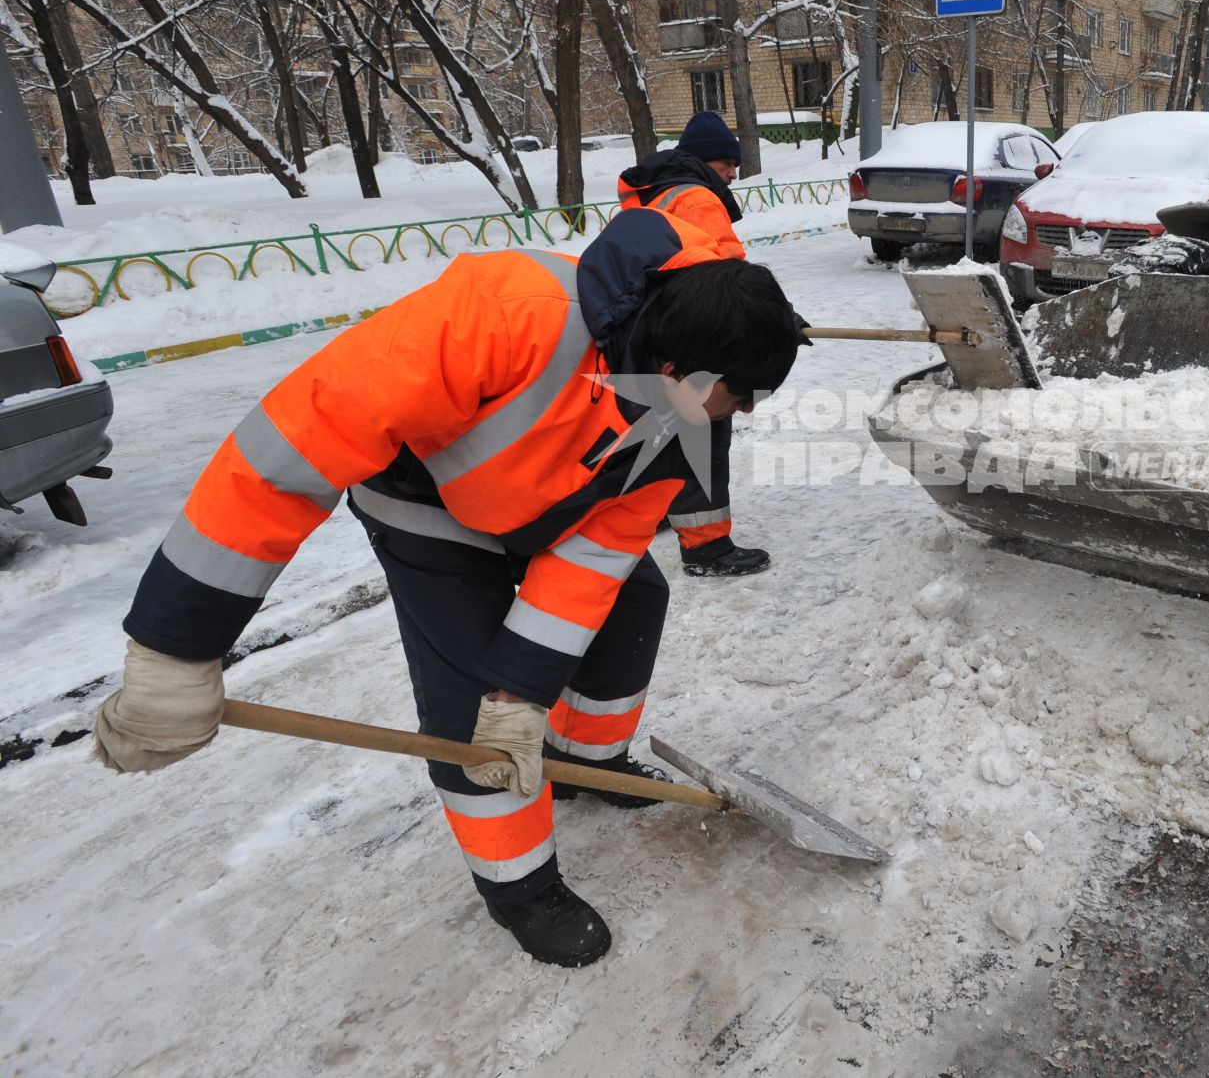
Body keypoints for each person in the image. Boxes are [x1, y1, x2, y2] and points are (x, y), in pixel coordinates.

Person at [91, 203, 806, 968]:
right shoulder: (502, 314)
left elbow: (594, 558)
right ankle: (520, 885)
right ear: (679, 370)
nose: (746, 412)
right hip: (426, 502)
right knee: (468, 709)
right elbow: (284, 456)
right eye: (743, 394)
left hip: (549, 506)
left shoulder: (683, 421)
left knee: (634, 599)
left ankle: (585, 760)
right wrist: (174, 648)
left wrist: (522, 695)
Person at [617, 111, 771, 579]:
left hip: (650, 331)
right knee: (704, 431)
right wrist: (774, 317)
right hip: (693, 335)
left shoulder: (651, 194)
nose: (734, 175)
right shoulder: (699, 197)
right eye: (729, 164)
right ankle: (708, 548)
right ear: (709, 161)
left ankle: (666, 508)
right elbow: (727, 273)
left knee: (666, 431)